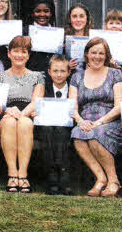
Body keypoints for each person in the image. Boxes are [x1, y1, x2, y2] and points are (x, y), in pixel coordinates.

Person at [70, 37, 122, 198]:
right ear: (87, 54)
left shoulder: (116, 74)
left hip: (110, 121)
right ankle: (100, 178)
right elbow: (72, 107)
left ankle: (113, 180)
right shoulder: (77, 76)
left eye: (101, 53)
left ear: (106, 56)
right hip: (86, 121)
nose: (97, 56)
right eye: (93, 52)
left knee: (96, 136)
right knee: (77, 134)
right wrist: (80, 121)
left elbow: (119, 106)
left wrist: (99, 122)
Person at [0, 36, 45, 193]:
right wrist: (8, 110)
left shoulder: (38, 76)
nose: (19, 55)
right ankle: (12, 174)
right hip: (6, 114)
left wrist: (21, 114)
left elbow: (36, 100)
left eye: (23, 52)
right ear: (9, 53)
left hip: (27, 113)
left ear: (28, 55)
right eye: (15, 51)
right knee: (9, 122)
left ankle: (23, 174)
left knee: (25, 123)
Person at [35, 55, 74, 195]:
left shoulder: (72, 89)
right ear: (49, 72)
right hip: (46, 126)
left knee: (61, 131)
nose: (59, 74)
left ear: (69, 72)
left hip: (65, 126)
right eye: (55, 71)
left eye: (63, 71)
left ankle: (63, 174)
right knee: (48, 130)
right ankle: (51, 175)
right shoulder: (44, 88)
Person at [24, 0, 57, 73]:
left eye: (46, 11)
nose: (42, 14)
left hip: (52, 78)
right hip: (29, 76)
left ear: (51, 13)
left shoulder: (57, 34)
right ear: (32, 13)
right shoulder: (24, 32)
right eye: (38, 11)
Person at [64, 4, 94, 72]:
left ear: (87, 19)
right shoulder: (63, 39)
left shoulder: (94, 39)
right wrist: (66, 66)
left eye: (81, 16)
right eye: (74, 16)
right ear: (70, 19)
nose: (78, 20)